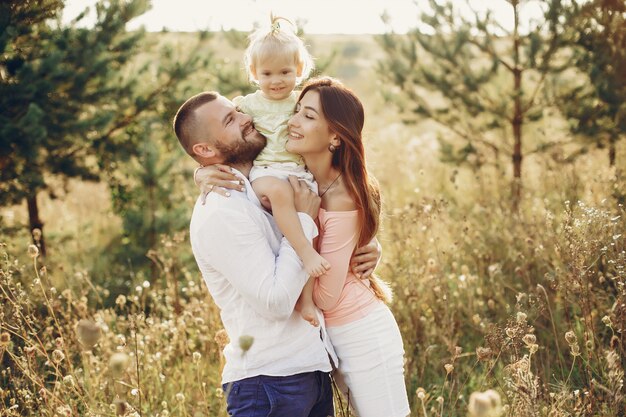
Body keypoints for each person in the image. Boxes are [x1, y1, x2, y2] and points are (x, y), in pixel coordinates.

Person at [197, 77, 411, 417]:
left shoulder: (341, 194)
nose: (292, 121)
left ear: (336, 136)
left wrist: (319, 237)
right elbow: (233, 158)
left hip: (360, 330)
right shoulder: (299, 177)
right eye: (296, 111)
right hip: (326, 340)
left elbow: (324, 297)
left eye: (308, 116)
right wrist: (203, 173)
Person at [228, 14, 326, 326]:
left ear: (299, 70)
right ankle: (305, 255)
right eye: (267, 73)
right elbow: (216, 134)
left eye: (285, 71)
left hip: (297, 171)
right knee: (283, 195)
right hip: (265, 173)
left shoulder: (301, 101)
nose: (276, 80)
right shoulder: (249, 104)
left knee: (314, 226)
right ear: (254, 73)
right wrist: (201, 171)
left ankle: (307, 299)